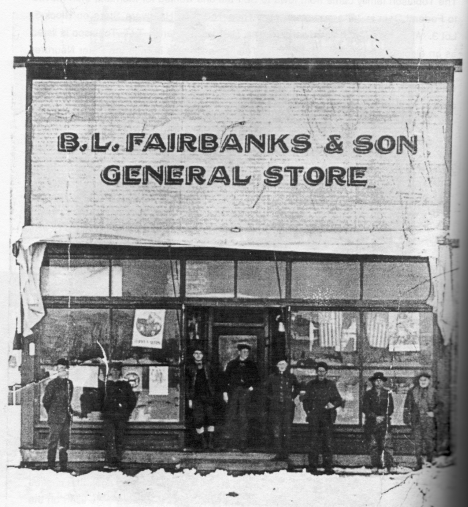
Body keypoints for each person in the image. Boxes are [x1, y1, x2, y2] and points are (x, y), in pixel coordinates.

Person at [301, 361, 343, 474]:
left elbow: (338, 399)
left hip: (327, 417)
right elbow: (305, 401)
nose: (321, 373)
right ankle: (312, 466)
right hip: (314, 417)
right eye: (319, 371)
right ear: (316, 372)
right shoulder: (310, 384)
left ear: (326, 372)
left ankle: (328, 466)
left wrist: (332, 404)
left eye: (323, 371)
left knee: (327, 443)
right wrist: (309, 412)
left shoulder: (331, 384)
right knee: (313, 442)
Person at [221, 343, 260, 451]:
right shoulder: (232, 364)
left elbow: (257, 379)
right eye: (243, 351)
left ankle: (243, 442)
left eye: (247, 352)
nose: (245, 353)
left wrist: (251, 388)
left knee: (244, 417)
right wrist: (225, 393)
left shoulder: (252, 365)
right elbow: (225, 379)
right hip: (233, 391)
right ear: (239, 352)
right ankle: (226, 441)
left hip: (245, 392)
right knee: (230, 416)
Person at [101, 362, 137, 469]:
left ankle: (117, 461)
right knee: (109, 438)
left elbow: (132, 400)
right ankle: (110, 461)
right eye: (113, 370)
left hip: (121, 417)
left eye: (117, 370)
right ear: (110, 371)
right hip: (108, 416)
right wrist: (104, 410)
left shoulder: (125, 385)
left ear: (120, 372)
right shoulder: (107, 385)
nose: (115, 372)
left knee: (119, 438)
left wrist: (126, 412)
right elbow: (99, 399)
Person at [264, 357, 301, 461]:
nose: (281, 366)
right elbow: (265, 389)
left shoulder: (291, 376)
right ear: (277, 366)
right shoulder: (272, 377)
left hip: (288, 407)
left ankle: (285, 454)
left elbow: (298, 387)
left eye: (283, 364)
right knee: (277, 430)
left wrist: (292, 396)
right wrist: (272, 398)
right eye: (279, 364)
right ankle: (278, 453)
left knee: (287, 430)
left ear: (287, 365)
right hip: (275, 407)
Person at [42, 357, 75, 472]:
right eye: (60, 368)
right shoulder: (52, 384)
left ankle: (63, 466)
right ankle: (51, 466)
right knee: (53, 443)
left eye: (64, 368)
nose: (62, 371)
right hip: (55, 418)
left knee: (64, 444)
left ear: (67, 370)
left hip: (66, 418)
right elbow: (46, 401)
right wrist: (53, 412)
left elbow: (68, 401)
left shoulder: (69, 384)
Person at [403, 372, 440, 470]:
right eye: (421, 380)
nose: (423, 382)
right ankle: (418, 464)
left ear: (429, 381)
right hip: (417, 421)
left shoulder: (434, 392)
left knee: (429, 442)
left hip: (429, 421)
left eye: (425, 380)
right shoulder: (412, 391)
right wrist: (406, 418)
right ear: (418, 381)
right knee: (417, 443)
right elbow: (407, 405)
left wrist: (434, 412)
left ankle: (430, 462)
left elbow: (440, 405)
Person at [186, 346, 218, 450]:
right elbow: (187, 385)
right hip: (196, 397)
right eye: (196, 353)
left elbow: (214, 381)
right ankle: (203, 442)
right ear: (193, 355)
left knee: (210, 418)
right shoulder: (189, 368)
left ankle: (210, 442)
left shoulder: (209, 367)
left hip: (208, 396)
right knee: (198, 420)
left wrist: (214, 395)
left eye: (200, 353)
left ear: (203, 355)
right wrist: (190, 399)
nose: (198, 355)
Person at [362, 372, 394, 473]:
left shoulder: (388, 393)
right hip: (372, 423)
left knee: (387, 445)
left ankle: (388, 466)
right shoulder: (368, 394)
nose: (378, 382)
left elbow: (391, 408)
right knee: (373, 445)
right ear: (373, 382)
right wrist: (375, 417)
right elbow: (365, 408)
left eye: (380, 381)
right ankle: (375, 465)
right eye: (376, 380)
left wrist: (383, 417)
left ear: (383, 382)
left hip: (385, 423)